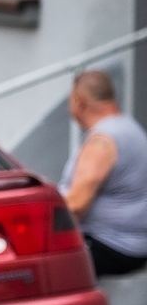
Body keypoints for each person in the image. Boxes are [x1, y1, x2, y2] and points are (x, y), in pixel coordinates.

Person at [61, 70, 147, 276]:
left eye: (70, 101)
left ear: (79, 101)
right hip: (131, 244)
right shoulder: (129, 127)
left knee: (34, 265)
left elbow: (76, 206)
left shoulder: (101, 141)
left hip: (112, 246)